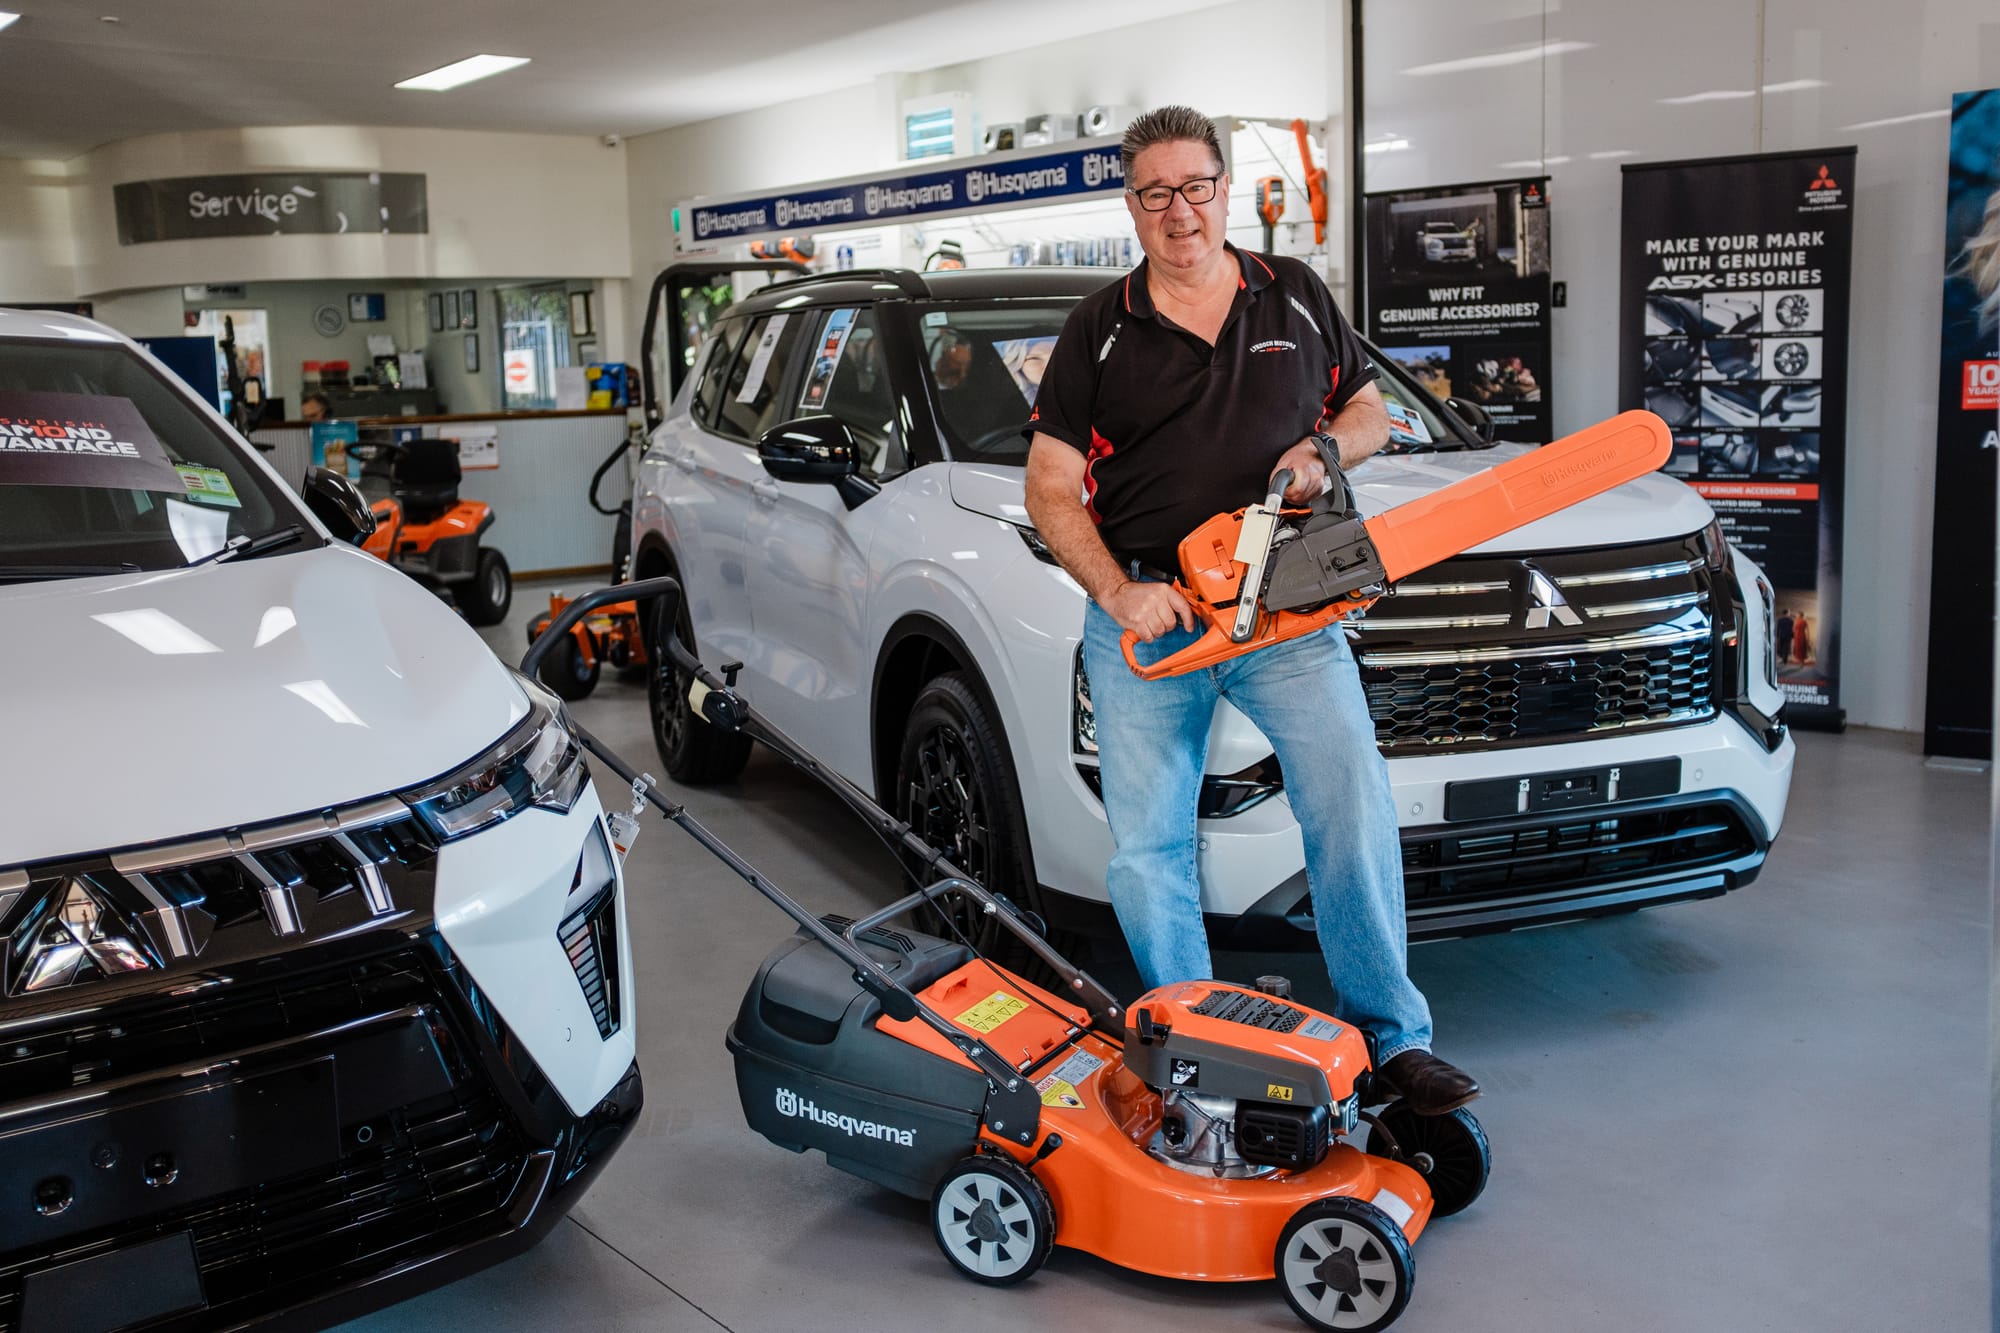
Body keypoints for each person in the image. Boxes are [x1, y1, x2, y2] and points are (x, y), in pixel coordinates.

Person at [1022, 105, 1478, 1116]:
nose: (1178, 210)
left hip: (1285, 614)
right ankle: (1191, 1049)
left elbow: (1369, 409)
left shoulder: (1295, 293)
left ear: (1226, 190)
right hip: (1152, 617)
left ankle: (1393, 1040)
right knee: (1149, 849)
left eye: (1195, 187)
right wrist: (1118, 591)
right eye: (1155, 193)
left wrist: (1325, 451)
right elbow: (1049, 488)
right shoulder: (1097, 329)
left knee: (1350, 801)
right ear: (1131, 206)